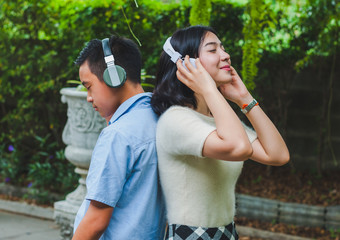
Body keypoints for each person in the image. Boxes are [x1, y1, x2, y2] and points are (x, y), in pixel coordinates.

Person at [151, 25, 290, 240]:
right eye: (213, 50)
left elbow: (278, 155)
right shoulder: (175, 120)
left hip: (226, 233)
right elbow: (240, 148)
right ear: (188, 64)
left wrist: (245, 99)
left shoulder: (219, 122)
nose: (226, 56)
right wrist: (208, 88)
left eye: (223, 49)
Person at [72, 35, 166, 240]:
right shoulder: (160, 118)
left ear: (113, 77)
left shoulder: (118, 135)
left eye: (89, 86)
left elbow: (96, 221)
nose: (89, 97)